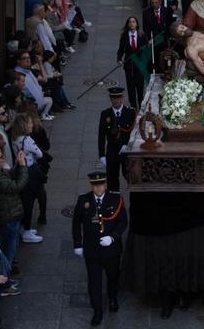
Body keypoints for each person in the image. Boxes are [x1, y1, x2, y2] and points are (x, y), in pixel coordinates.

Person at [72, 171, 129, 327]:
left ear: (105, 185)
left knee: (113, 276)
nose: (98, 189)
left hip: (111, 250)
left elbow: (123, 221)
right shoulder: (84, 200)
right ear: (91, 185)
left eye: (101, 185)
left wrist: (113, 237)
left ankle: (112, 298)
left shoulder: (116, 199)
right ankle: (97, 311)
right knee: (94, 282)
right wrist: (77, 244)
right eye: (95, 185)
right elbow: (76, 223)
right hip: (92, 250)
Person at [98, 87, 136, 191]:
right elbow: (101, 135)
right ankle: (114, 203)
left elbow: (134, 133)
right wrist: (101, 155)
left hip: (125, 151)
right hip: (112, 151)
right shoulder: (105, 114)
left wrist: (128, 145)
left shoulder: (130, 112)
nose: (115, 100)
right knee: (112, 181)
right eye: (113, 98)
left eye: (118, 98)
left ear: (122, 98)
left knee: (130, 177)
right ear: (110, 99)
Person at [14, 50, 55, 121]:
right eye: (24, 58)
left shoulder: (28, 70)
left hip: (37, 104)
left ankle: (44, 114)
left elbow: (44, 79)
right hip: (30, 107)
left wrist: (40, 63)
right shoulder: (18, 74)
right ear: (18, 61)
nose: (28, 60)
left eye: (29, 58)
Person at [117, 16, 147, 109]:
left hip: (139, 65)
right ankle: (133, 106)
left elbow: (146, 50)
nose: (132, 23)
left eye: (133, 22)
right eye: (130, 22)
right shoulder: (124, 36)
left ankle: (141, 104)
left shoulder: (141, 35)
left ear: (137, 24)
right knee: (130, 86)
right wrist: (119, 59)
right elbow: (121, 50)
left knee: (140, 86)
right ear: (128, 24)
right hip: (129, 65)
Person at [142, 0, 175, 72]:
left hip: (165, 39)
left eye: (156, 3)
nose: (154, 5)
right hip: (154, 39)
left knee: (166, 57)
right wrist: (149, 39)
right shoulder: (146, 12)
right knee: (155, 58)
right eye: (152, 3)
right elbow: (146, 27)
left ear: (160, 2)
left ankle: (166, 71)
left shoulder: (166, 10)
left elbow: (170, 24)